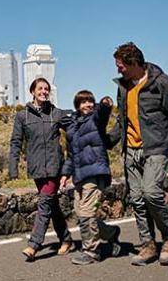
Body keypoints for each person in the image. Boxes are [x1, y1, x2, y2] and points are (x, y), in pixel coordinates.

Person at [108, 42, 168, 266]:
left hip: (155, 148)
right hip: (131, 152)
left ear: (133, 62)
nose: (118, 70)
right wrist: (109, 139)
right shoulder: (123, 87)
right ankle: (148, 245)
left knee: (151, 193)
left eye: (121, 66)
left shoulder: (162, 83)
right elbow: (122, 120)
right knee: (137, 200)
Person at [9, 77, 74, 261]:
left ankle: (34, 245)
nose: (44, 91)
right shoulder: (23, 116)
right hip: (37, 168)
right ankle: (66, 240)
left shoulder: (57, 114)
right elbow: (16, 142)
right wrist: (13, 168)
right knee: (52, 205)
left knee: (45, 203)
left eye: (46, 89)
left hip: (55, 167)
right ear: (33, 91)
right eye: (40, 88)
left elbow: (75, 124)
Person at [60, 90, 122, 265]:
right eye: (83, 102)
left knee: (86, 213)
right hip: (79, 175)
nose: (87, 104)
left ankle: (92, 251)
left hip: (95, 173)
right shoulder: (72, 127)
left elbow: (102, 114)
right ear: (77, 106)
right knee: (82, 214)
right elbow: (72, 155)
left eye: (90, 101)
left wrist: (105, 105)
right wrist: (66, 174)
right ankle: (111, 233)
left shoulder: (95, 120)